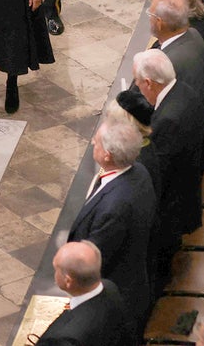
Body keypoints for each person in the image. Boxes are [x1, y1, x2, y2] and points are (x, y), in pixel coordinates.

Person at [65, 117, 152, 337]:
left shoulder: (114, 208)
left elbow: (96, 258)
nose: (93, 143)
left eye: (97, 142)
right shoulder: (139, 171)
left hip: (115, 292)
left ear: (107, 155)